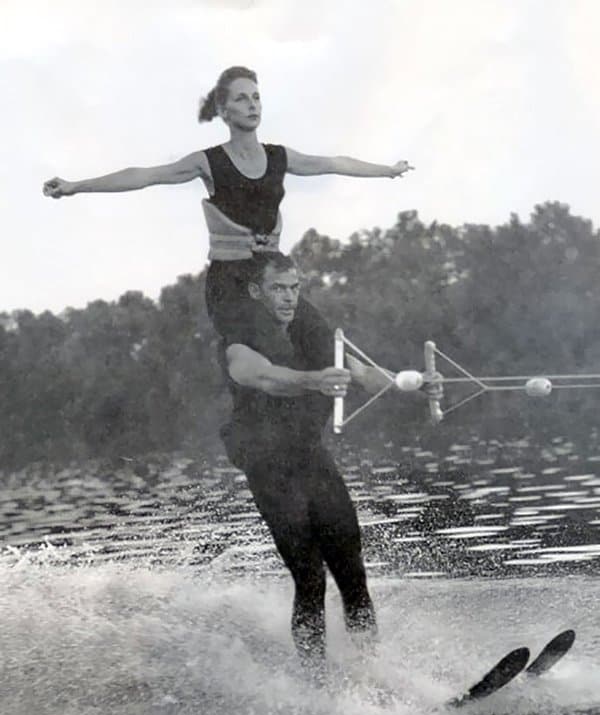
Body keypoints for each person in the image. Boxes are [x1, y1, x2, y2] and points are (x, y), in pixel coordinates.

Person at [42, 65, 413, 351]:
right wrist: (76, 186)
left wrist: (388, 172)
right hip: (231, 282)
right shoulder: (209, 161)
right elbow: (146, 175)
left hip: (273, 274)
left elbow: (335, 163)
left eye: (256, 97)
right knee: (265, 352)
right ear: (222, 109)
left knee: (320, 339)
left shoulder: (279, 156)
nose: (252, 105)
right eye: (241, 99)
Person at [221, 250, 400, 674]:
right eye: (278, 289)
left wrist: (415, 383)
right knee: (310, 576)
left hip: (308, 455)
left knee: (352, 571)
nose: (288, 297)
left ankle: (373, 672)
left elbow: (366, 373)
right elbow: (261, 375)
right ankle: (316, 684)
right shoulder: (236, 340)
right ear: (256, 292)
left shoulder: (314, 335)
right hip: (267, 462)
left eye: (294, 288)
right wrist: (314, 381)